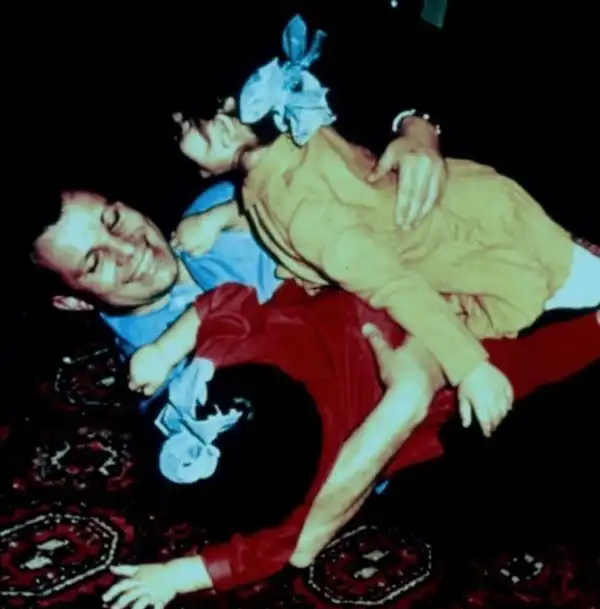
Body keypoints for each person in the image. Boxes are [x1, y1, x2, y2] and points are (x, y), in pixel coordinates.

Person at [169, 15, 600, 438]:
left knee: (565, 280)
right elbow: (289, 204)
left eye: (183, 128)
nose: (180, 143)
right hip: (467, 206)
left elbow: (389, 283)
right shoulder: (291, 139)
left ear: (221, 127)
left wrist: (469, 366)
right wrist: (217, 219)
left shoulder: (297, 209)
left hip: (471, 247)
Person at [104, 281, 600, 609]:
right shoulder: (291, 500)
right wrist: (174, 577)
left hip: (381, 298)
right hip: (431, 380)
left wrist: (165, 350)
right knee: (518, 367)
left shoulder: (229, 352)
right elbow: (263, 554)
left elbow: (225, 301)